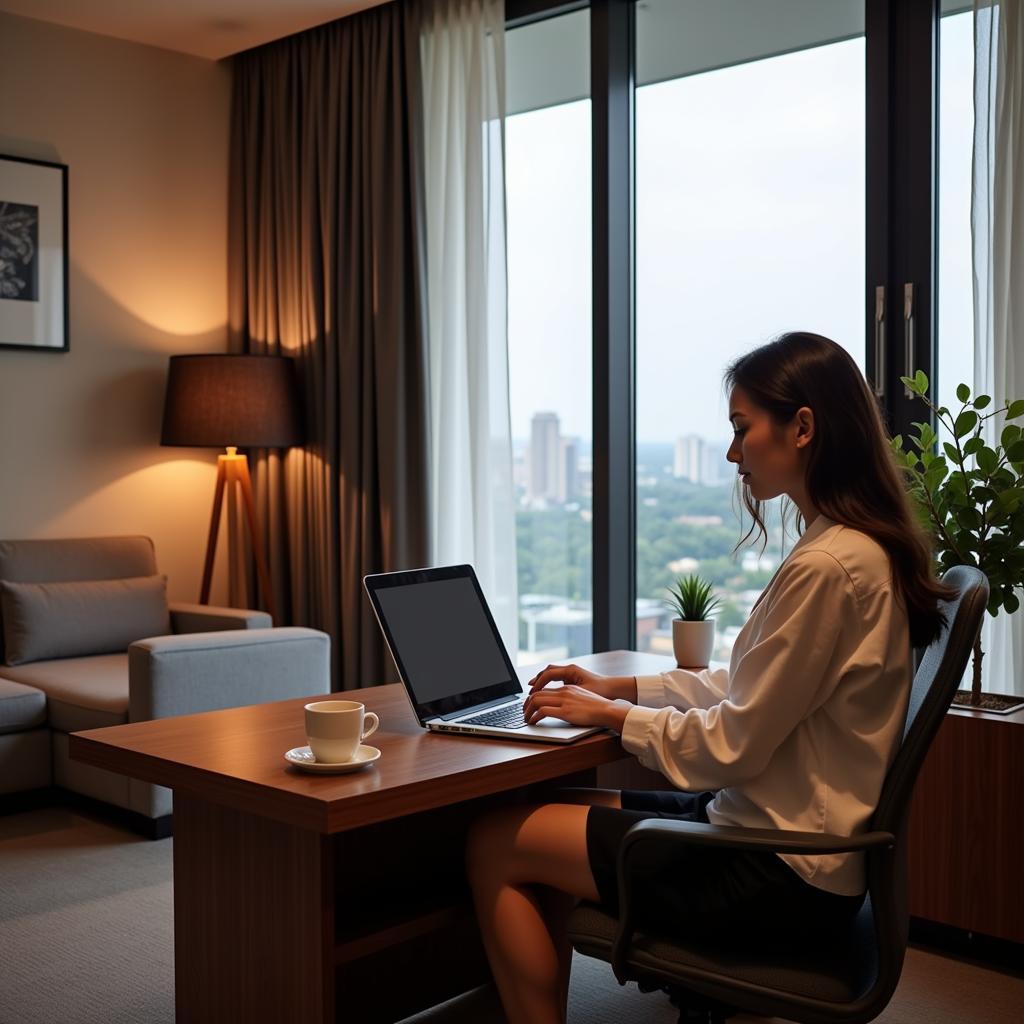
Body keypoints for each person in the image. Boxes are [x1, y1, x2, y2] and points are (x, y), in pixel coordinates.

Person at [466, 332, 954, 1024]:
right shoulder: (851, 549)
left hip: (774, 872)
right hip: (779, 842)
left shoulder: (829, 566)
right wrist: (622, 690)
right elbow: (748, 687)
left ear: (803, 427)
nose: (732, 454)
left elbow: (731, 747)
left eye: (741, 429)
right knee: (550, 810)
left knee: (494, 841)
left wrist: (612, 720)